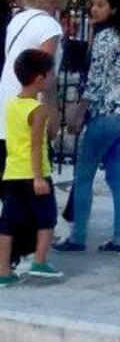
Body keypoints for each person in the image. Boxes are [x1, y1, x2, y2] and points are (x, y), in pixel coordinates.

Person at [55, 0, 120, 254]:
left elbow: (95, 82)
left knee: (83, 176)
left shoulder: (105, 39)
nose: (94, 9)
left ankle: (78, 236)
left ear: (112, 9)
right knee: (117, 177)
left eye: (100, 5)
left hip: (105, 114)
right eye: (92, 4)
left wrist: (78, 113)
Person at [0, 0, 71, 180]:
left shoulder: (18, 19)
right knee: (35, 176)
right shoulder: (49, 25)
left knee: (12, 173)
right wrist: (53, 115)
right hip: (31, 107)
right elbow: (43, 73)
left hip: (9, 101)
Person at [0, 49, 63, 285]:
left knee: (8, 223)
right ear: (39, 78)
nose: (51, 79)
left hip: (12, 172)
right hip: (35, 173)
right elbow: (37, 146)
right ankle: (39, 261)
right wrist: (39, 178)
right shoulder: (38, 110)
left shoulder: (11, 105)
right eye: (49, 74)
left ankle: (3, 272)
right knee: (47, 219)